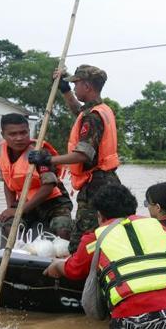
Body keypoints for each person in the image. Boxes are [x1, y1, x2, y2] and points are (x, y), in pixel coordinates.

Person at [43, 184, 166, 329]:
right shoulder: (161, 229)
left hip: (132, 322)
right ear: (133, 210)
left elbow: (74, 270)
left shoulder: (96, 238)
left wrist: (56, 266)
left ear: (100, 216)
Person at [29, 65, 121, 253]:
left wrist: (48, 160)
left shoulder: (93, 117)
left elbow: (83, 154)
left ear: (87, 86)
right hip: (107, 180)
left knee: (82, 240)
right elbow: (78, 111)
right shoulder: (100, 110)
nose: (75, 87)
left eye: (76, 84)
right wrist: (65, 90)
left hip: (96, 185)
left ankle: (78, 275)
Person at [0, 113, 72, 239]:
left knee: (63, 229)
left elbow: (49, 186)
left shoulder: (38, 152)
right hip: (26, 201)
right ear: (3, 135)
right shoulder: (1, 151)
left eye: (23, 133)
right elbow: (8, 183)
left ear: (29, 131)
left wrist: (19, 211)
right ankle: (19, 252)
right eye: (13, 134)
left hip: (53, 202)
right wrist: (10, 210)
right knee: (10, 226)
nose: (19, 138)